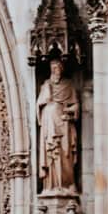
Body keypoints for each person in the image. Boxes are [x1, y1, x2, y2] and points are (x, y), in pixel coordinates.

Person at [36, 56, 78, 192]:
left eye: (58, 68)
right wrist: (46, 98)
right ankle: (50, 186)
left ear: (62, 69)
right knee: (51, 155)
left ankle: (67, 184)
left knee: (65, 154)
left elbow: (76, 105)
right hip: (49, 127)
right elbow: (39, 105)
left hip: (64, 124)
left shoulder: (68, 85)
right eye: (53, 68)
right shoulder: (45, 85)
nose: (56, 71)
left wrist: (68, 110)